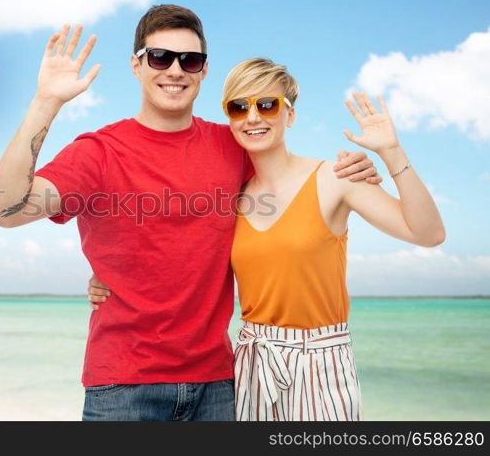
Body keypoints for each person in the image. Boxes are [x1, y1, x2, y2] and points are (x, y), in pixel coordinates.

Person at [0, 5, 378, 421]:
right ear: (137, 65)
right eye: (159, 57)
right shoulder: (98, 152)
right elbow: (3, 211)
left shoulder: (234, 145)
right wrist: (45, 103)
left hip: (219, 386)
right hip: (123, 388)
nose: (175, 70)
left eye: (190, 60)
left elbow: (294, 181)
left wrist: (351, 170)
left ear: (203, 71)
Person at [91, 58, 446, 421]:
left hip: (321, 362)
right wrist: (109, 277)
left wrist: (391, 152)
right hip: (250, 363)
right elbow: (174, 247)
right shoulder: (231, 195)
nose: (253, 117)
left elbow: (428, 232)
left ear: (289, 115)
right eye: (239, 107)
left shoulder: (335, 178)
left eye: (267, 104)